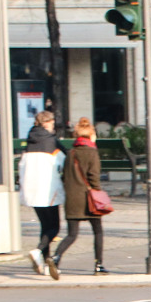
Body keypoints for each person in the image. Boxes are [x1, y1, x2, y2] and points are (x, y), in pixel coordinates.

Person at [54, 117, 108, 276]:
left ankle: (56, 257)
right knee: (98, 231)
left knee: (72, 234)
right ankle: (98, 265)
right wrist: (98, 194)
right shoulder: (92, 153)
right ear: (91, 136)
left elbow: (65, 176)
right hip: (89, 199)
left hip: (72, 198)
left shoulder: (71, 153)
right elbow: (94, 177)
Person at [19, 111, 65, 279]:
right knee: (54, 227)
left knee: (44, 226)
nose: (53, 126)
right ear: (46, 123)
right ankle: (38, 251)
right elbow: (64, 162)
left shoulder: (29, 141)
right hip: (48, 190)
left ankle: (44, 262)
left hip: (31, 191)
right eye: (52, 123)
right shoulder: (51, 142)